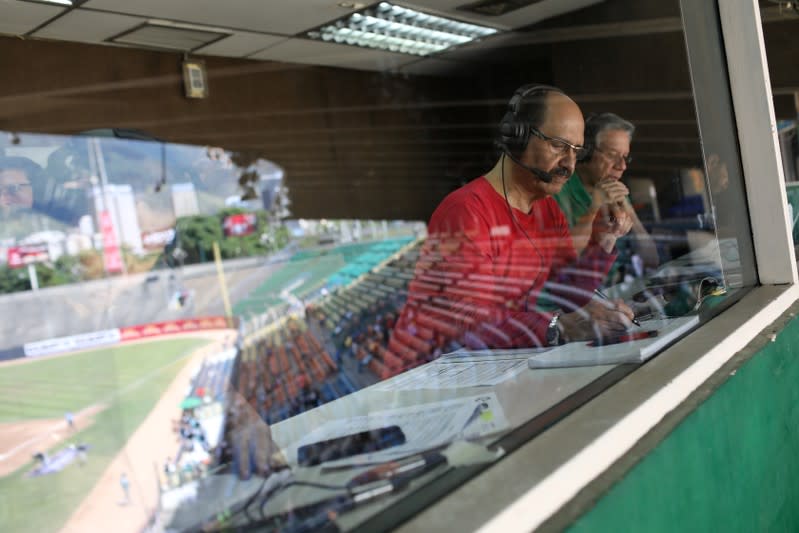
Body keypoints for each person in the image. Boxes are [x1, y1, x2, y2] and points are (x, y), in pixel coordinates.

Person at [388, 84, 634, 365]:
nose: (569, 163)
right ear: (517, 137)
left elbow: (567, 291)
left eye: (576, 151)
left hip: (500, 363)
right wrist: (561, 327)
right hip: (439, 375)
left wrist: (604, 239)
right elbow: (471, 324)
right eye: (558, 145)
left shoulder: (546, 207)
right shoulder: (466, 211)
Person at [554, 113, 659, 276]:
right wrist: (595, 206)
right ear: (586, 151)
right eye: (612, 155)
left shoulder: (615, 193)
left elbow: (651, 260)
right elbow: (565, 262)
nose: (622, 166)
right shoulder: (558, 190)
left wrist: (629, 212)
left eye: (625, 157)